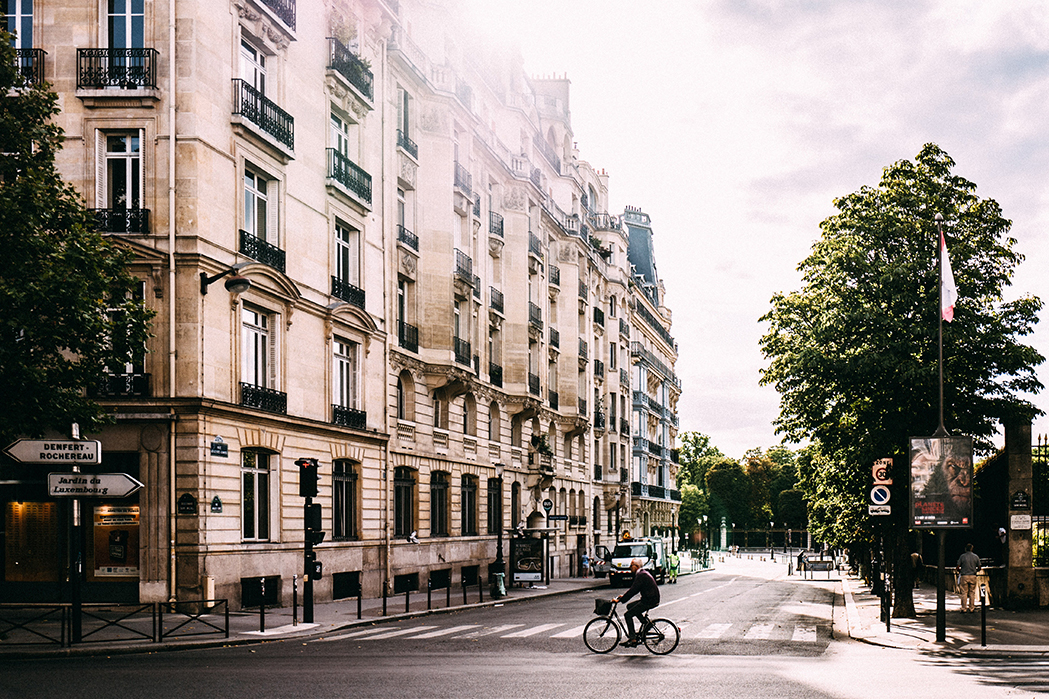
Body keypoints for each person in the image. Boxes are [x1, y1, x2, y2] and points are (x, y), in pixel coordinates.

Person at [614, 559, 660, 647]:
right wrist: (623, 597)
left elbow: (633, 590)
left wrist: (622, 599)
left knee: (628, 615)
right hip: (650, 598)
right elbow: (633, 589)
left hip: (649, 600)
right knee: (630, 606)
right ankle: (646, 623)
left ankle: (633, 639)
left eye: (631, 566)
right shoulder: (642, 573)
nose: (630, 567)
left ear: (637, 566)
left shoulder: (641, 575)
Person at [955, 543, 981, 612]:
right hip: (973, 575)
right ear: (972, 548)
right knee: (972, 592)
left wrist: (961, 570)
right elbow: (979, 567)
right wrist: (975, 570)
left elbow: (957, 567)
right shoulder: (976, 556)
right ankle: (971, 608)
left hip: (964, 575)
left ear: (965, 549)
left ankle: (964, 608)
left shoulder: (962, 556)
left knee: (964, 592)